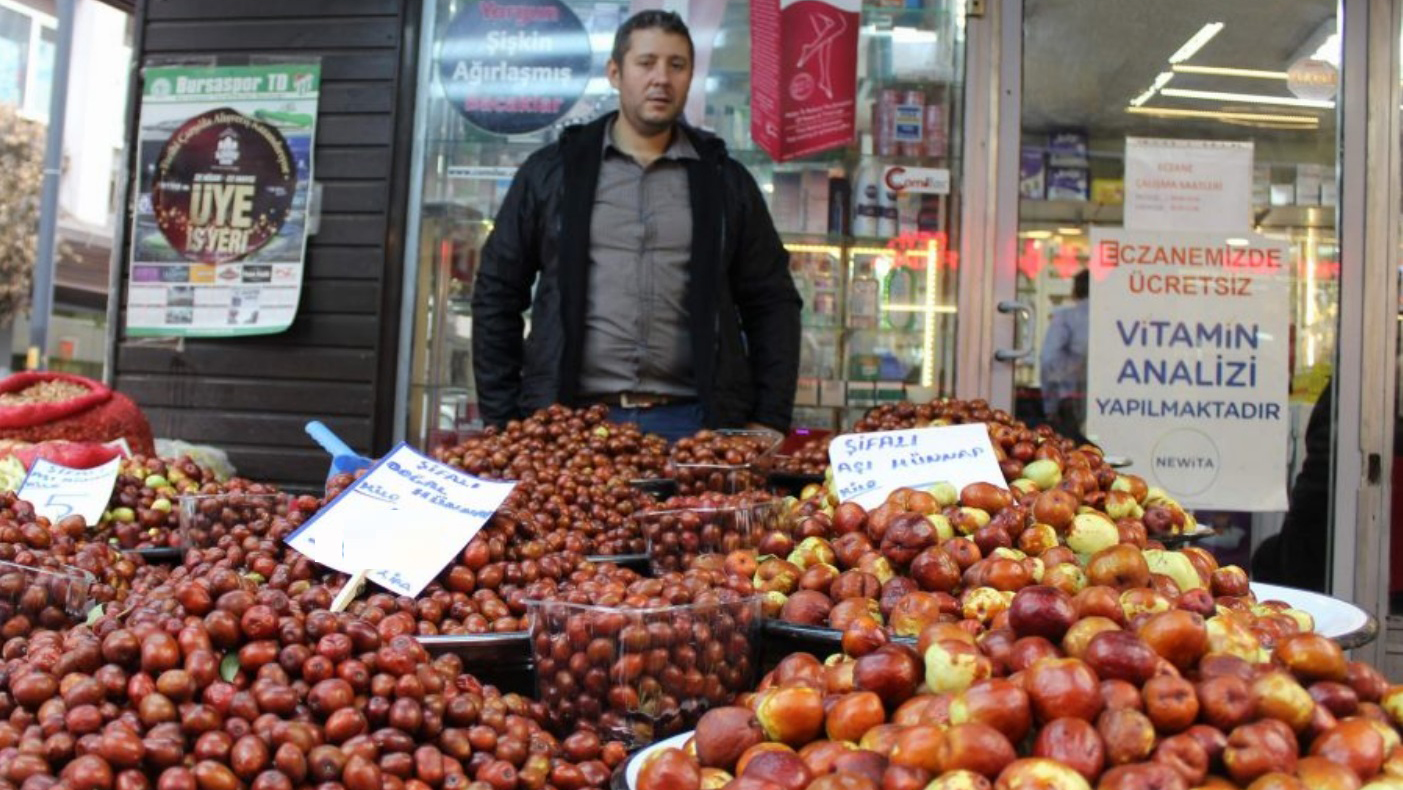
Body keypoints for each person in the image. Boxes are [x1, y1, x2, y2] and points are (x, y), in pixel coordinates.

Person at [471, 10, 801, 443]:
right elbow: (497, 291)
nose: (661, 78)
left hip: (696, 427)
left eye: (676, 65)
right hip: (572, 425)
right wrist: (503, 420)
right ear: (615, 73)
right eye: (646, 63)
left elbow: (772, 301)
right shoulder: (554, 172)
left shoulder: (724, 181)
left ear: (690, 76)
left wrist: (769, 419)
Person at [1039, 269, 1090, 444]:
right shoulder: (1112, 318)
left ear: (1075, 290)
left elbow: (1049, 360)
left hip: (1071, 398)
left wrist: (1050, 407)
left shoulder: (1066, 317)